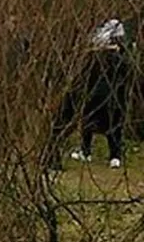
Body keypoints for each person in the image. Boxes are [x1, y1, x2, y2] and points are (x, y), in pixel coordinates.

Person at [51, 18, 132, 169]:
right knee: (114, 127)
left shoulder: (95, 60)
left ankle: (86, 151)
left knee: (90, 123)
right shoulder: (121, 60)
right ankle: (115, 156)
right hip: (115, 100)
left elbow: (85, 79)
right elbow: (126, 81)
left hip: (96, 98)